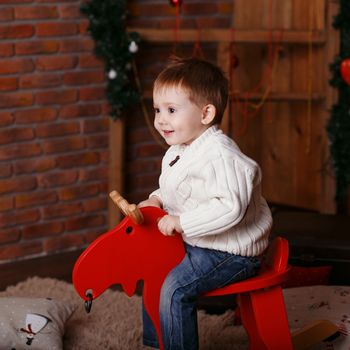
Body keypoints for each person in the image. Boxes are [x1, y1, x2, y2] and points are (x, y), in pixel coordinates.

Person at [138, 56, 272, 350]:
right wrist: (156, 199)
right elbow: (173, 188)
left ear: (206, 113)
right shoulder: (179, 150)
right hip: (198, 242)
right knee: (154, 270)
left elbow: (230, 208)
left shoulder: (220, 155)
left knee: (175, 288)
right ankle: (156, 342)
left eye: (172, 110)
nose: (161, 119)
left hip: (229, 250)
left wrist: (181, 222)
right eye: (157, 110)